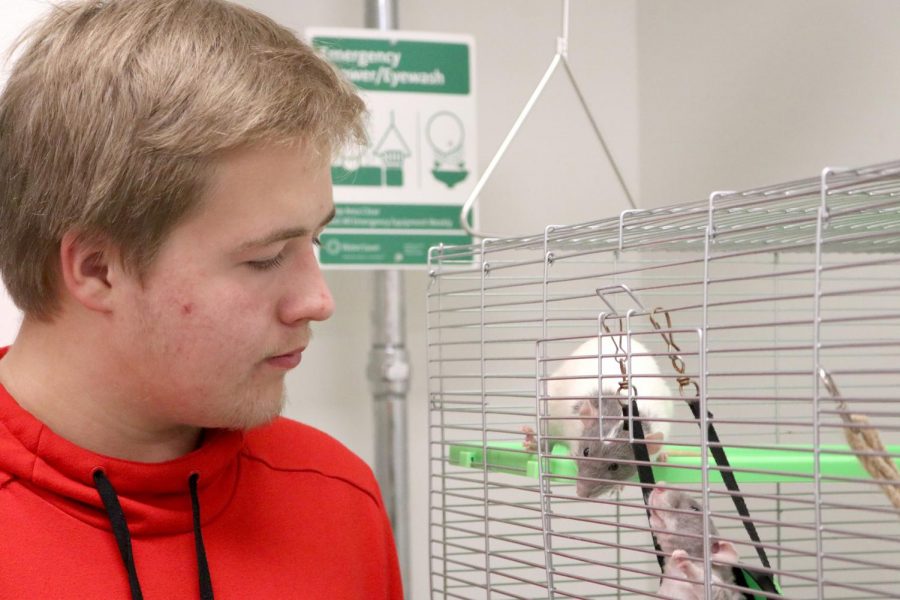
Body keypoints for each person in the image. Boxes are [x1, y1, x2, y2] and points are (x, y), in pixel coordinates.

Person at [0, 1, 404, 598]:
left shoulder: (335, 497)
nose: (317, 301)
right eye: (265, 257)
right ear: (96, 268)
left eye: (316, 240)